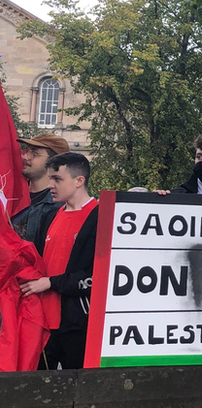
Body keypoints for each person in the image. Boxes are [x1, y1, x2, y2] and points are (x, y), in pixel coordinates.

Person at [19, 152, 97, 370]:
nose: (50, 185)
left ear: (79, 181)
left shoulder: (101, 216)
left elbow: (100, 275)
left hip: (78, 324)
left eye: (57, 179)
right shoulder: (51, 215)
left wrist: (51, 283)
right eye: (50, 178)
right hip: (43, 321)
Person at [12, 133, 69, 243]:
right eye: (26, 151)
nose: (25, 157)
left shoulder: (61, 205)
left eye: (34, 153)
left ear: (54, 162)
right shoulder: (11, 194)